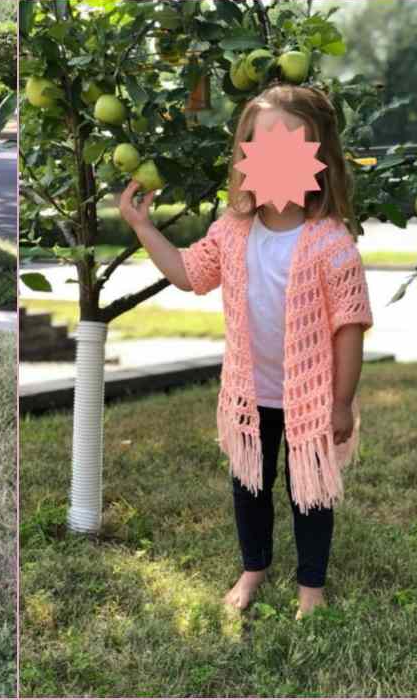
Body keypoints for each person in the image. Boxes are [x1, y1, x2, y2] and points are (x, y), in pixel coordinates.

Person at [118, 84, 373, 619]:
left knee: (312, 493)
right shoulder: (233, 231)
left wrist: (342, 402)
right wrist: (143, 227)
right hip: (249, 392)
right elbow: (190, 274)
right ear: (248, 154)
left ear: (317, 157)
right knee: (250, 486)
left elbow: (349, 327)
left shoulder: (331, 243)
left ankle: (311, 585)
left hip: (309, 396)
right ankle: (254, 566)